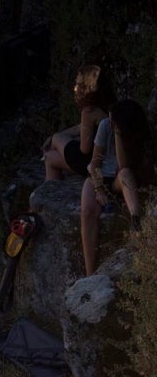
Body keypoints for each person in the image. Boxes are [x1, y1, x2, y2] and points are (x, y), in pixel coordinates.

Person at [80, 99, 153, 276]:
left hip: (122, 177)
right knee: (88, 210)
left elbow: (123, 165)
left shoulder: (135, 133)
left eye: (114, 121)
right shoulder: (105, 126)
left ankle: (135, 219)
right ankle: (90, 274)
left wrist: (119, 135)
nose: (109, 122)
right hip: (100, 176)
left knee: (125, 173)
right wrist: (99, 190)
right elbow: (95, 163)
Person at [43, 65, 110, 180]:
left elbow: (84, 149)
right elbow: (81, 127)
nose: (75, 89)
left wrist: (62, 138)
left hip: (91, 164)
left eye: (78, 85)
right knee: (49, 157)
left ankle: (51, 193)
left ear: (88, 87)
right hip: (100, 162)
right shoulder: (104, 108)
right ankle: (50, 192)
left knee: (55, 139)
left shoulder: (89, 111)